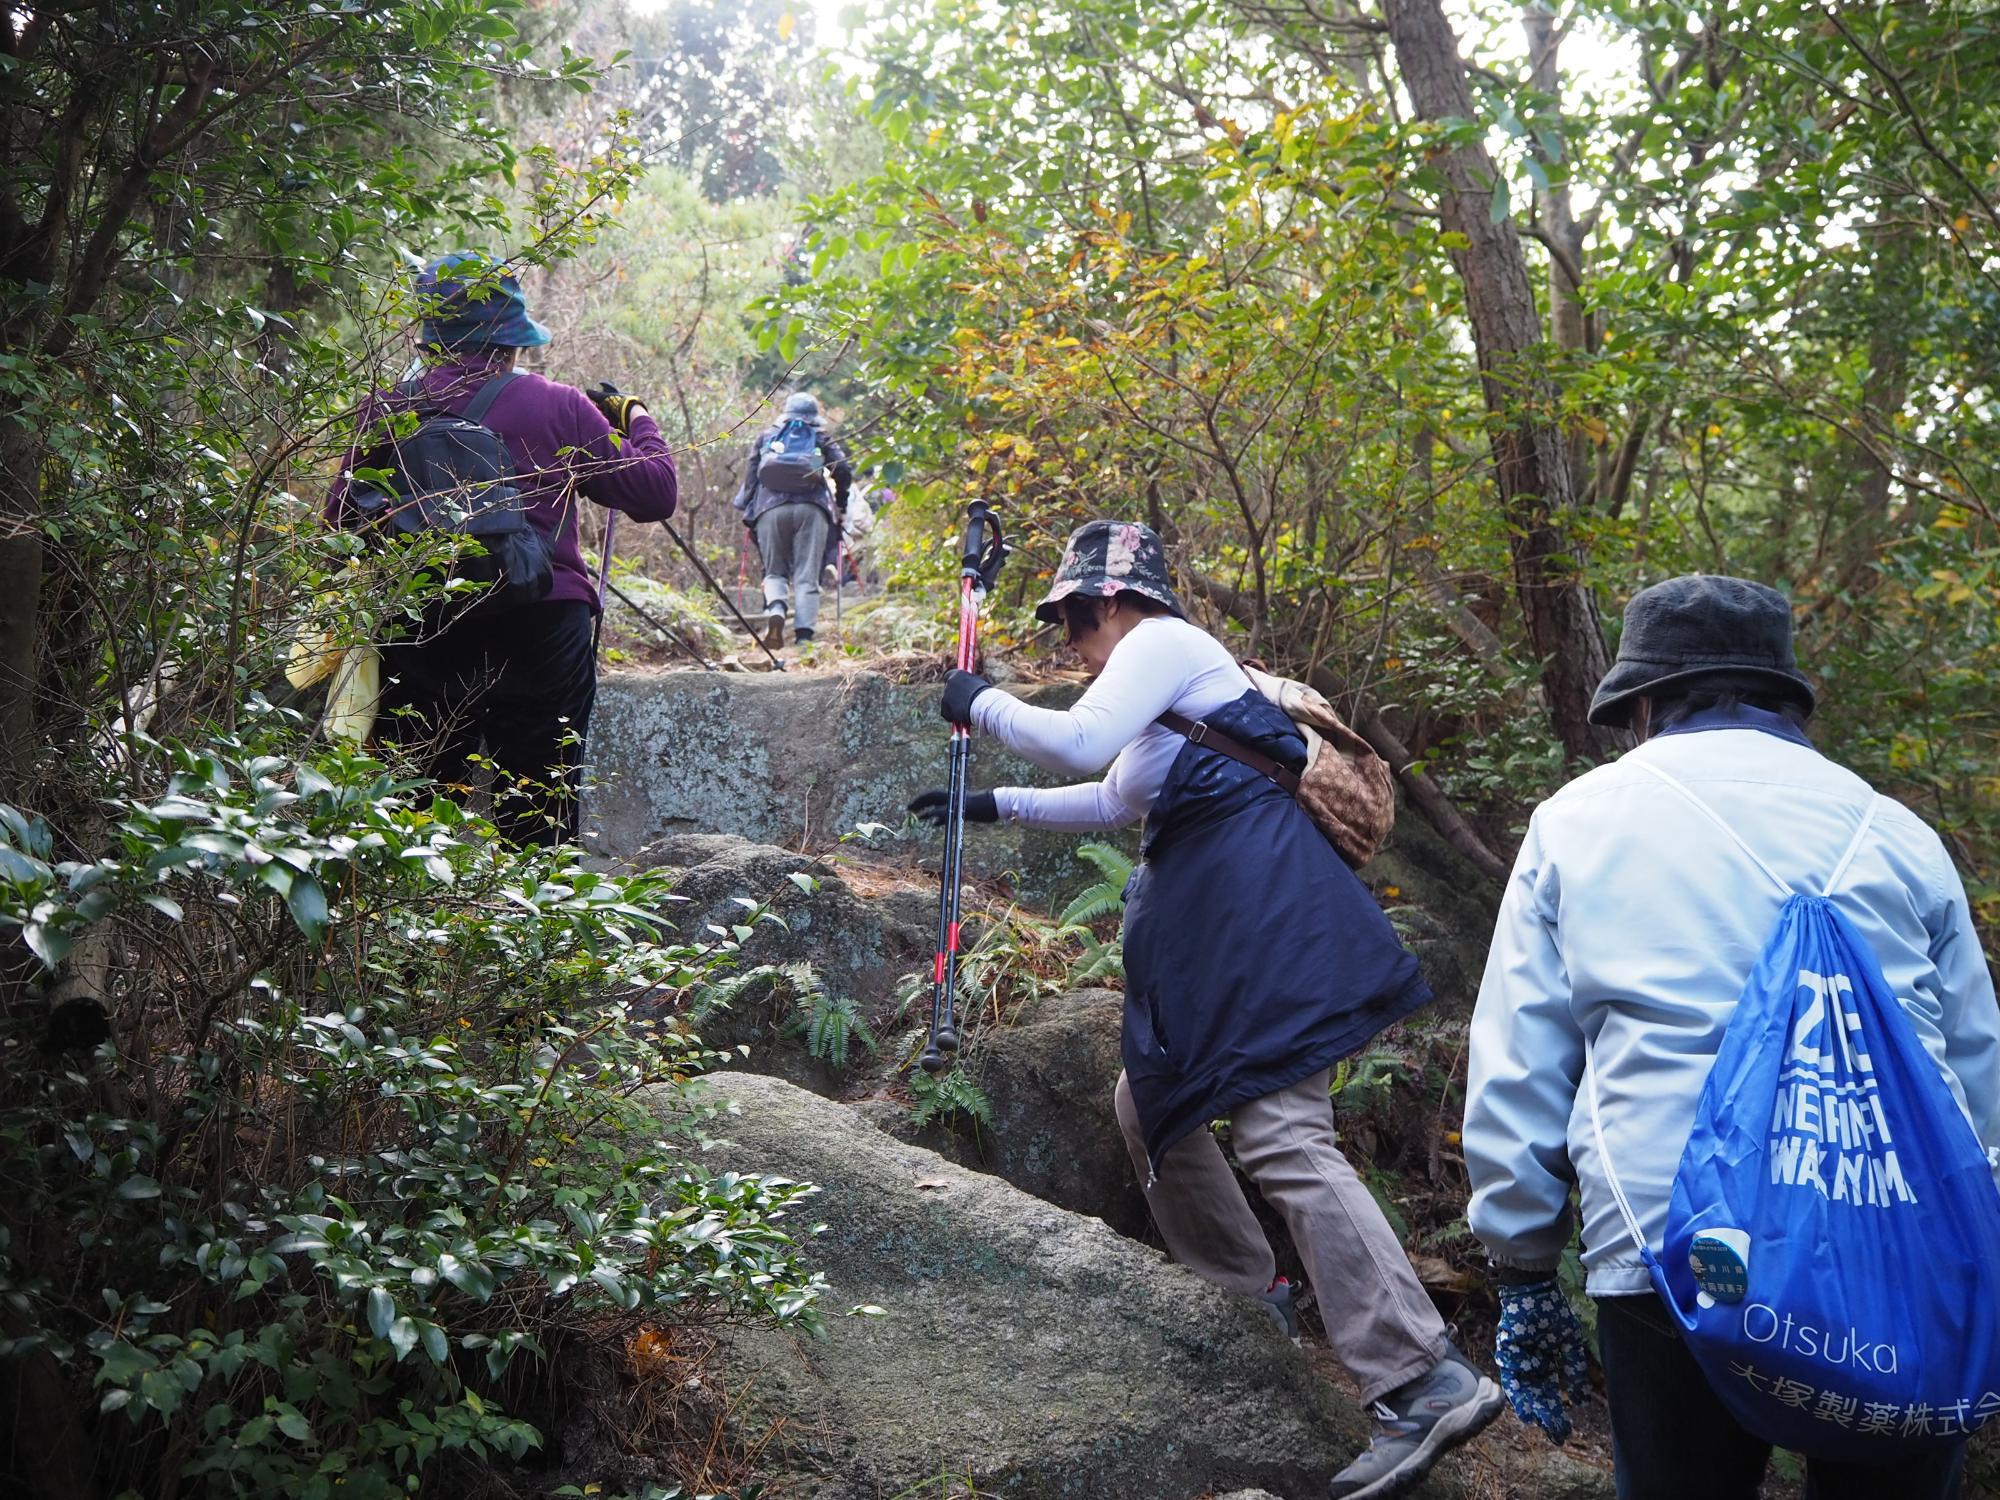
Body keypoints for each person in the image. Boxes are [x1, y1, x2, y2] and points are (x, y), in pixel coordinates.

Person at [907, 520, 1503, 1500]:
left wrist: (987, 702)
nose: (1071, 645)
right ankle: (1244, 1299)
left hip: (1266, 934)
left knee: (1280, 1132)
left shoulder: (1164, 644)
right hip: (1221, 952)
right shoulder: (1162, 712)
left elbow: (1079, 738)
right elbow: (1108, 796)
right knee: (1151, 1105)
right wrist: (990, 805)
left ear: (1109, 603)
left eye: (1071, 622)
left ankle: (1419, 1375)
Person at [1463, 575, 2000, 1499]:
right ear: (1788, 701)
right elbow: (1975, 1068)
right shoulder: (1900, 833)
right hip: (1898, 1246)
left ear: (1642, 705)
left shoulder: (1578, 822)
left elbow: (1521, 1059)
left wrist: (1520, 1263)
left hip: (1670, 1240)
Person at [325, 252, 679, 845]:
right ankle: (536, 924)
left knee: (414, 813)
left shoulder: (388, 407)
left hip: (425, 622)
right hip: (542, 619)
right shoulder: (559, 404)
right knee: (539, 812)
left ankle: (412, 929)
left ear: (428, 337)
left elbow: (338, 524)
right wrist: (635, 417)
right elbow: (654, 492)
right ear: (513, 341)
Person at [731, 391, 852, 650]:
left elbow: (751, 477)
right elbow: (843, 469)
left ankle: (775, 607)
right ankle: (804, 636)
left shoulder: (767, 436)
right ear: (813, 416)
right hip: (813, 508)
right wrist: (841, 504)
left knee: (775, 570)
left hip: (770, 508)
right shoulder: (820, 437)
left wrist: (746, 507)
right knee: (807, 575)